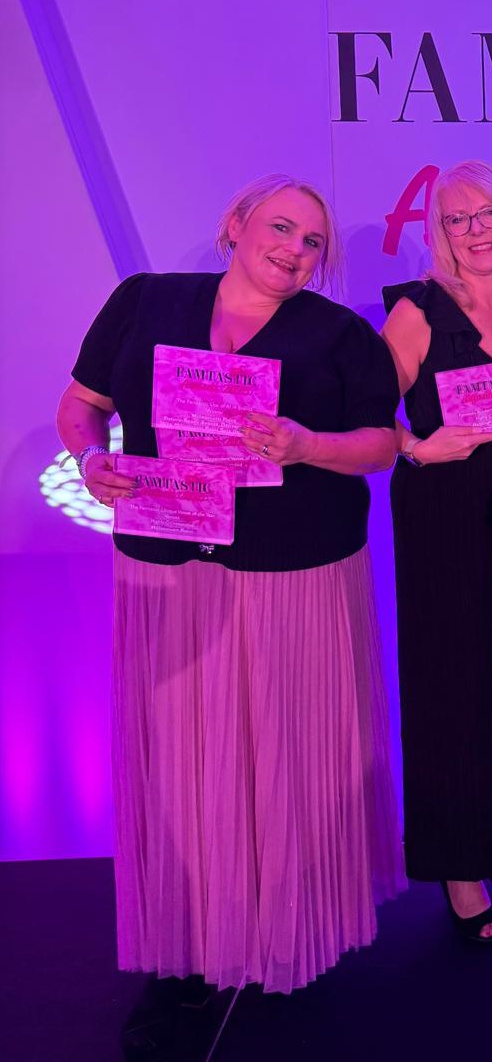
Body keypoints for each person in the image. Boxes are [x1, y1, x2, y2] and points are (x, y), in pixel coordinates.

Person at [55, 176, 404, 1019]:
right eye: (280, 227)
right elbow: (81, 407)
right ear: (236, 225)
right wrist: (93, 461)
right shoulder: (145, 302)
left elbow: (382, 445)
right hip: (167, 567)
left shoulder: (341, 335)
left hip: (295, 571)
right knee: (178, 764)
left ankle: (286, 932)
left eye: (312, 242)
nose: (294, 249)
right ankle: (186, 940)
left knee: (284, 755)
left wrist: (306, 445)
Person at [381, 160, 492, 942]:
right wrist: (418, 448)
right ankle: (459, 865)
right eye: (457, 219)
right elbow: (367, 416)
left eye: (488, 212)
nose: (476, 230)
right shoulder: (418, 311)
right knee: (451, 688)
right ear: (440, 233)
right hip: (442, 519)